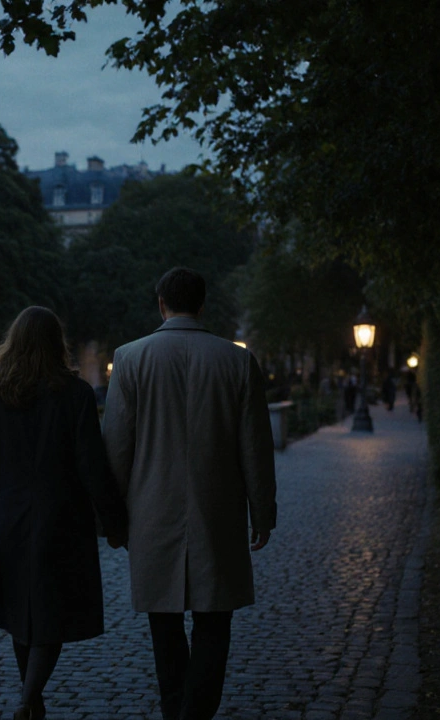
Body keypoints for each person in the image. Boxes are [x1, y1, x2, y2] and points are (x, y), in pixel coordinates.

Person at [102, 267, 277, 720]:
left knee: (164, 626)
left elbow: (116, 448)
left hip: (152, 511)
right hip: (216, 510)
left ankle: (176, 709)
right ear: (203, 305)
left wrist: (112, 520)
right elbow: (255, 447)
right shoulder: (237, 361)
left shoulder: (129, 358)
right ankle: (195, 713)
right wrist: (263, 512)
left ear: (161, 304)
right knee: (215, 624)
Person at [0, 306, 128, 720]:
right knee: (51, 615)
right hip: (62, 519)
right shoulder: (75, 395)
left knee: (22, 614)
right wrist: (114, 522)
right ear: (58, 344)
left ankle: (31, 702)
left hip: (7, 520)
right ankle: (28, 702)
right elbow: (92, 465)